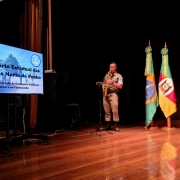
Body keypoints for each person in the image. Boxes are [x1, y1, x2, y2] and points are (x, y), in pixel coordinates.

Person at [102, 62, 123, 132]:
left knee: (114, 110)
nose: (110, 68)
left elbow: (120, 86)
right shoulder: (106, 75)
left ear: (115, 68)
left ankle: (116, 125)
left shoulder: (119, 76)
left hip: (114, 94)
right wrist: (103, 87)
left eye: (112, 67)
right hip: (106, 94)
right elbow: (104, 83)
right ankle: (108, 125)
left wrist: (112, 83)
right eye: (110, 67)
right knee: (106, 110)